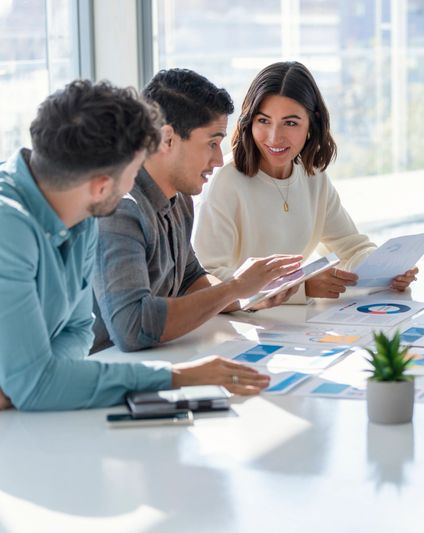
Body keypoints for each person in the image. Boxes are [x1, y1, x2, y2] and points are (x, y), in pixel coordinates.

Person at [0, 80, 270, 411]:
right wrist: (175, 376)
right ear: (101, 186)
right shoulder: (9, 229)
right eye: (132, 172)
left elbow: (78, 330)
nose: (135, 183)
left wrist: (33, 379)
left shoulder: (82, 211)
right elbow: (37, 385)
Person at [92, 69, 302, 353]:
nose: (218, 160)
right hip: (103, 369)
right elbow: (132, 328)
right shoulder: (119, 210)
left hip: (155, 360)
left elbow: (192, 280)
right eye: (212, 143)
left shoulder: (179, 200)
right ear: (167, 139)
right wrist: (235, 287)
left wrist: (250, 297)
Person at [193, 61, 417, 301]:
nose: (274, 137)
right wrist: (301, 288)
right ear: (249, 121)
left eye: (290, 123)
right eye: (264, 121)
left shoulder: (312, 176)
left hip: (292, 323)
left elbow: (352, 248)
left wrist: (388, 270)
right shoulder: (225, 181)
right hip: (238, 325)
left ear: (312, 123)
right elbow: (208, 278)